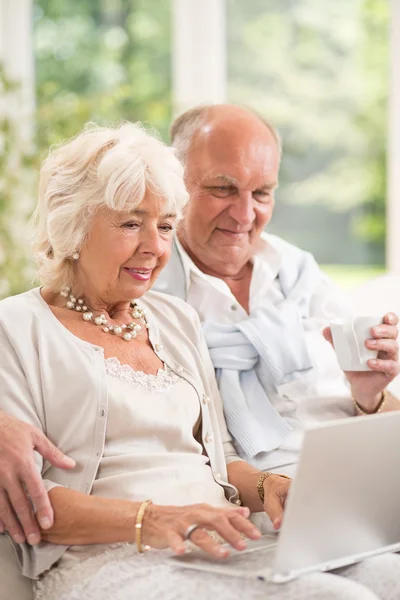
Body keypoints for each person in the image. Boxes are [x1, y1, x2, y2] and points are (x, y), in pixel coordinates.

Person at [1, 122, 399, 600]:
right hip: (110, 560)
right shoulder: (18, 327)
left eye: (166, 225)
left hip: (212, 546)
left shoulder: (175, 319)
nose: (155, 247)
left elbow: (220, 460)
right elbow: (27, 499)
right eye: (131, 223)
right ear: (73, 226)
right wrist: (157, 518)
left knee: (386, 578)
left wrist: (271, 484)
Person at [152, 103, 400, 477]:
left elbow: (383, 422)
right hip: (250, 502)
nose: (245, 215)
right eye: (223, 188)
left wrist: (369, 395)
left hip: (353, 477)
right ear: (174, 179)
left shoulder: (297, 270)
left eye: (263, 193)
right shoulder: (146, 287)